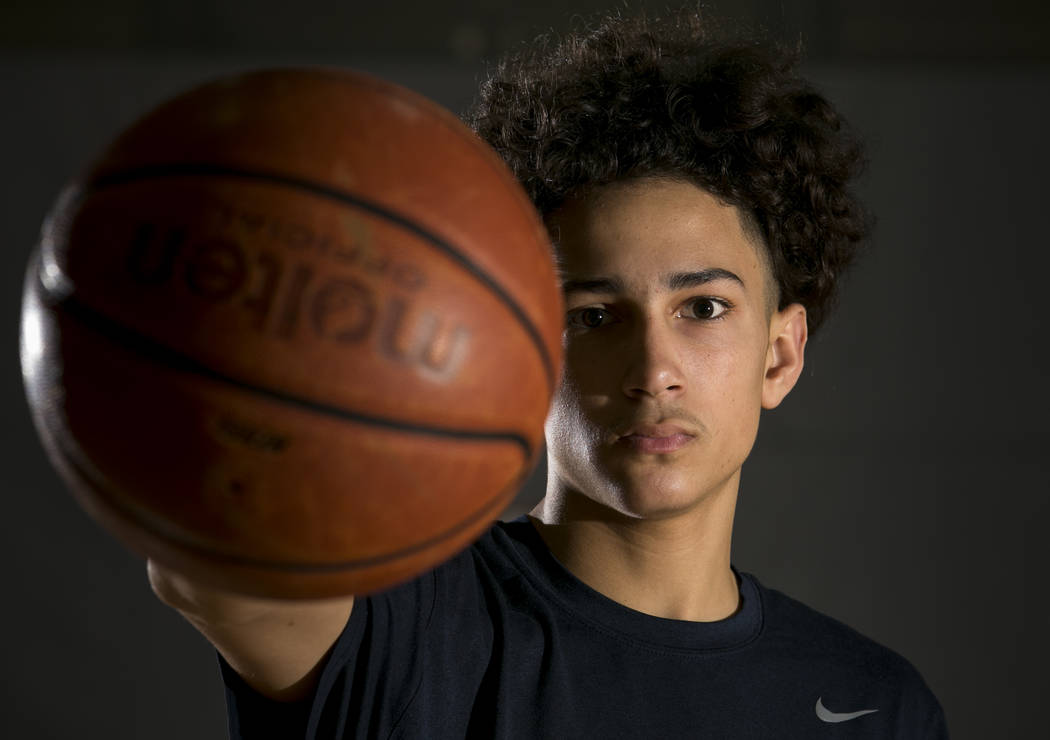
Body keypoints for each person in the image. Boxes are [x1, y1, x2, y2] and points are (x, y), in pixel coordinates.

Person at [149, 8, 948, 738]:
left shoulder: (875, 701)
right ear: (519, 347)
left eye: (702, 308)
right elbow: (211, 562)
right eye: (592, 315)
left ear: (780, 354)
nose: (652, 370)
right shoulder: (411, 619)